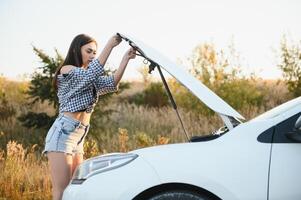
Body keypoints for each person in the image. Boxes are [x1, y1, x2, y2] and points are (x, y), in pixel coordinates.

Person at [42, 33, 136, 200]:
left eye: (95, 52)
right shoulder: (67, 70)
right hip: (63, 134)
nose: (93, 55)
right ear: (77, 50)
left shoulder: (88, 77)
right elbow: (89, 76)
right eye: (89, 51)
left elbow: (111, 83)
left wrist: (125, 59)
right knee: (62, 191)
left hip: (79, 136)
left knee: (75, 190)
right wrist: (110, 45)